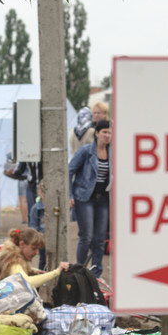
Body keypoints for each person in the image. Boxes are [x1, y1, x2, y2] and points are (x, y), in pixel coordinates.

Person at [68, 119, 111, 278]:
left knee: (100, 239)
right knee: (86, 237)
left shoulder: (113, 152)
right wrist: (70, 195)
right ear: (97, 133)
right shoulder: (86, 151)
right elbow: (70, 170)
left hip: (104, 199)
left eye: (110, 133)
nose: (107, 136)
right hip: (85, 198)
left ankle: (96, 273)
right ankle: (80, 270)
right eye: (104, 132)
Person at [0, 228, 69, 288]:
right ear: (22, 244)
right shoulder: (12, 260)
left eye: (38, 249)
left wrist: (33, 271)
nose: (37, 252)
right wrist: (56, 272)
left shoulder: (10, 253)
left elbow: (18, 271)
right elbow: (27, 282)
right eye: (34, 248)